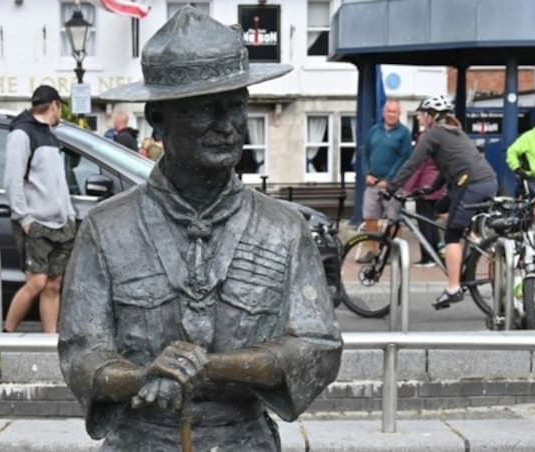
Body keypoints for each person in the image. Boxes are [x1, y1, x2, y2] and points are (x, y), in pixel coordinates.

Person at [58, 8, 342, 451]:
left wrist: (214, 366)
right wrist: (142, 376)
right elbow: (81, 355)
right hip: (140, 441)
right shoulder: (105, 228)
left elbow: (317, 347)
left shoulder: (284, 229)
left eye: (236, 106)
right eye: (204, 109)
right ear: (158, 118)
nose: (226, 125)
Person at [388, 94, 497, 309]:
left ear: (432, 116)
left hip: (471, 185)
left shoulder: (433, 134)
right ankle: (476, 243)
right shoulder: (453, 131)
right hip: (486, 181)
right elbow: (448, 168)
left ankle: (453, 288)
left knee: (451, 235)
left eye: (421, 114)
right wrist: (431, 188)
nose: (419, 118)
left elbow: (413, 164)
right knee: (440, 207)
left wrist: (392, 187)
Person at [3, 85, 77, 333]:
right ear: (54, 105)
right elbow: (12, 180)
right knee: (36, 282)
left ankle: (48, 341)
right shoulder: (22, 134)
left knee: (53, 284)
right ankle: (6, 334)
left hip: (60, 223)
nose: (60, 114)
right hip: (36, 222)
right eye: (60, 108)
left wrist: (69, 215)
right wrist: (24, 218)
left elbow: (59, 182)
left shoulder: (50, 135)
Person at [359, 98, 412, 263]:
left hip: (393, 186)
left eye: (394, 112)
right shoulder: (374, 131)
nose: (391, 114)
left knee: (393, 219)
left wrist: (389, 180)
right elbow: (365, 154)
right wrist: (366, 173)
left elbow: (404, 158)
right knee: (369, 218)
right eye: (388, 111)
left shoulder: (404, 133)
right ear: (383, 112)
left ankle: (391, 253)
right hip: (372, 184)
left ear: (399, 114)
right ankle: (373, 252)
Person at [403, 100, 446, 267]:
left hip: (426, 185)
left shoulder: (425, 137)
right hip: (437, 184)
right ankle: (435, 254)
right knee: (431, 222)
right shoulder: (438, 135)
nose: (418, 118)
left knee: (424, 223)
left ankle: (427, 256)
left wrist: (406, 188)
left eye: (420, 115)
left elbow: (418, 165)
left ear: (428, 116)